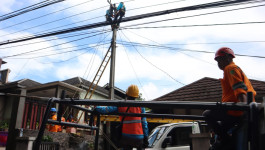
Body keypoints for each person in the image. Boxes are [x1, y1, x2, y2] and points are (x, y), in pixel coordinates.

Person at [203, 47, 256, 149]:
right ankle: (225, 141)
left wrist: (244, 109)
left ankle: (226, 140)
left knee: (207, 114)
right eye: (217, 61)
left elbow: (240, 90)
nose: (218, 63)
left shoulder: (230, 69)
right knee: (220, 133)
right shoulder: (232, 69)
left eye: (220, 60)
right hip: (235, 110)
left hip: (236, 111)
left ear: (228, 58)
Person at [95, 84, 149, 150]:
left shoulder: (121, 104)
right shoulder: (141, 107)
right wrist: (146, 137)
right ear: (137, 96)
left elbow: (106, 110)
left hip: (126, 137)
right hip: (139, 138)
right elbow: (144, 124)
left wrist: (96, 107)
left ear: (126, 94)